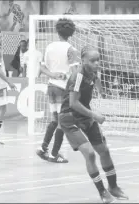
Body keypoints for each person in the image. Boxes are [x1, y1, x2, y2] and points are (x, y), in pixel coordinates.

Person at [59, 46, 128, 203]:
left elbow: (98, 87)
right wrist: (94, 115)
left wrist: (100, 87)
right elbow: (73, 103)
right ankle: (103, 192)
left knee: (104, 151)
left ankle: (114, 187)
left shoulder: (93, 72)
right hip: (69, 118)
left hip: (85, 116)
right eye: (93, 60)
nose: (97, 63)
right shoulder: (78, 76)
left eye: (98, 60)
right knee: (89, 153)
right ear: (83, 60)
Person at [36, 18, 80, 163]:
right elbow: (74, 73)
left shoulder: (49, 46)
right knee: (63, 123)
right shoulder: (71, 49)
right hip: (63, 89)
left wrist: (53, 75)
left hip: (51, 87)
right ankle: (54, 154)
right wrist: (78, 89)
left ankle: (43, 148)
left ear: (57, 31)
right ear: (71, 33)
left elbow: (41, 68)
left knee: (54, 120)